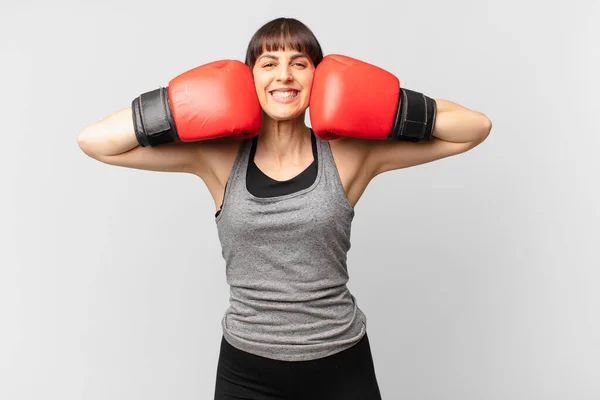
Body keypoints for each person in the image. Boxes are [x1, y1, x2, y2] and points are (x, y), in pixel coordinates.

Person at [78, 17, 491, 400]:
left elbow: (474, 129)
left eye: (300, 63)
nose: (284, 76)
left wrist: (391, 105)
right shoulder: (219, 159)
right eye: (268, 63)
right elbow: (95, 142)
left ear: (320, 77)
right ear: (248, 78)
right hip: (246, 370)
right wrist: (175, 104)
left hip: (341, 364)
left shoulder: (348, 155)